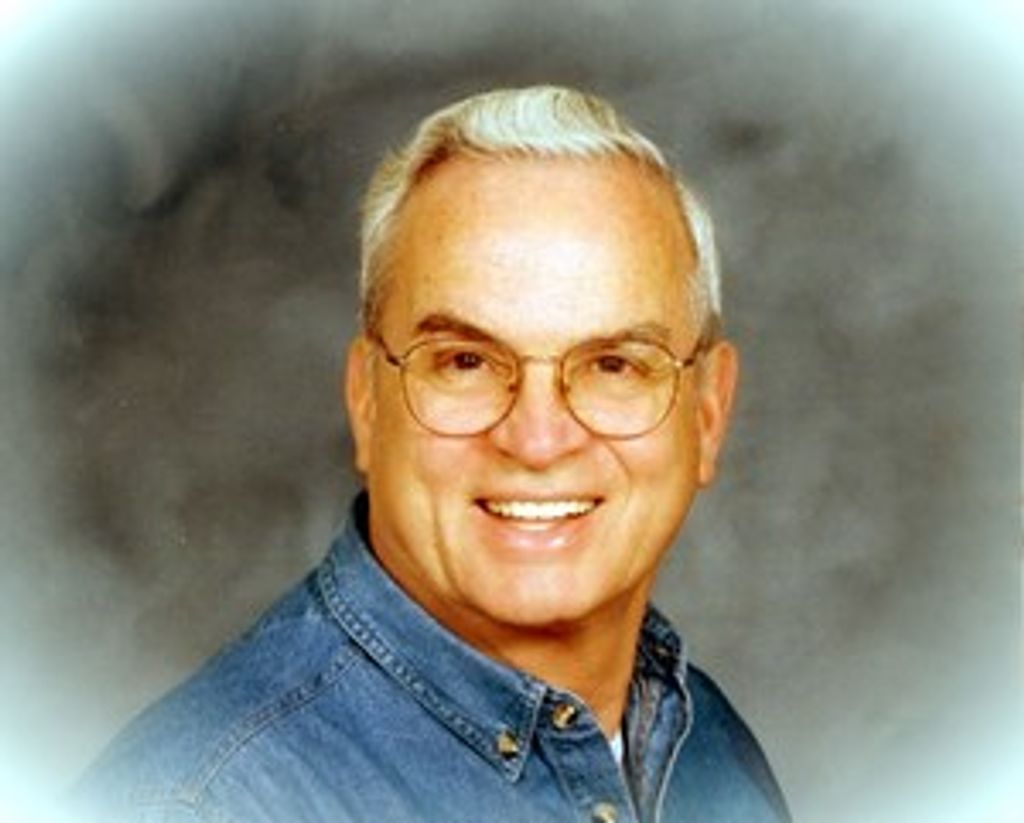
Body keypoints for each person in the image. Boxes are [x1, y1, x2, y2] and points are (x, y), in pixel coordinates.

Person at [71, 85, 790, 823]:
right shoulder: (197, 804)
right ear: (366, 401)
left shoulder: (709, 747)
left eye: (614, 365)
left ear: (709, 413)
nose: (537, 440)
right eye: (464, 362)